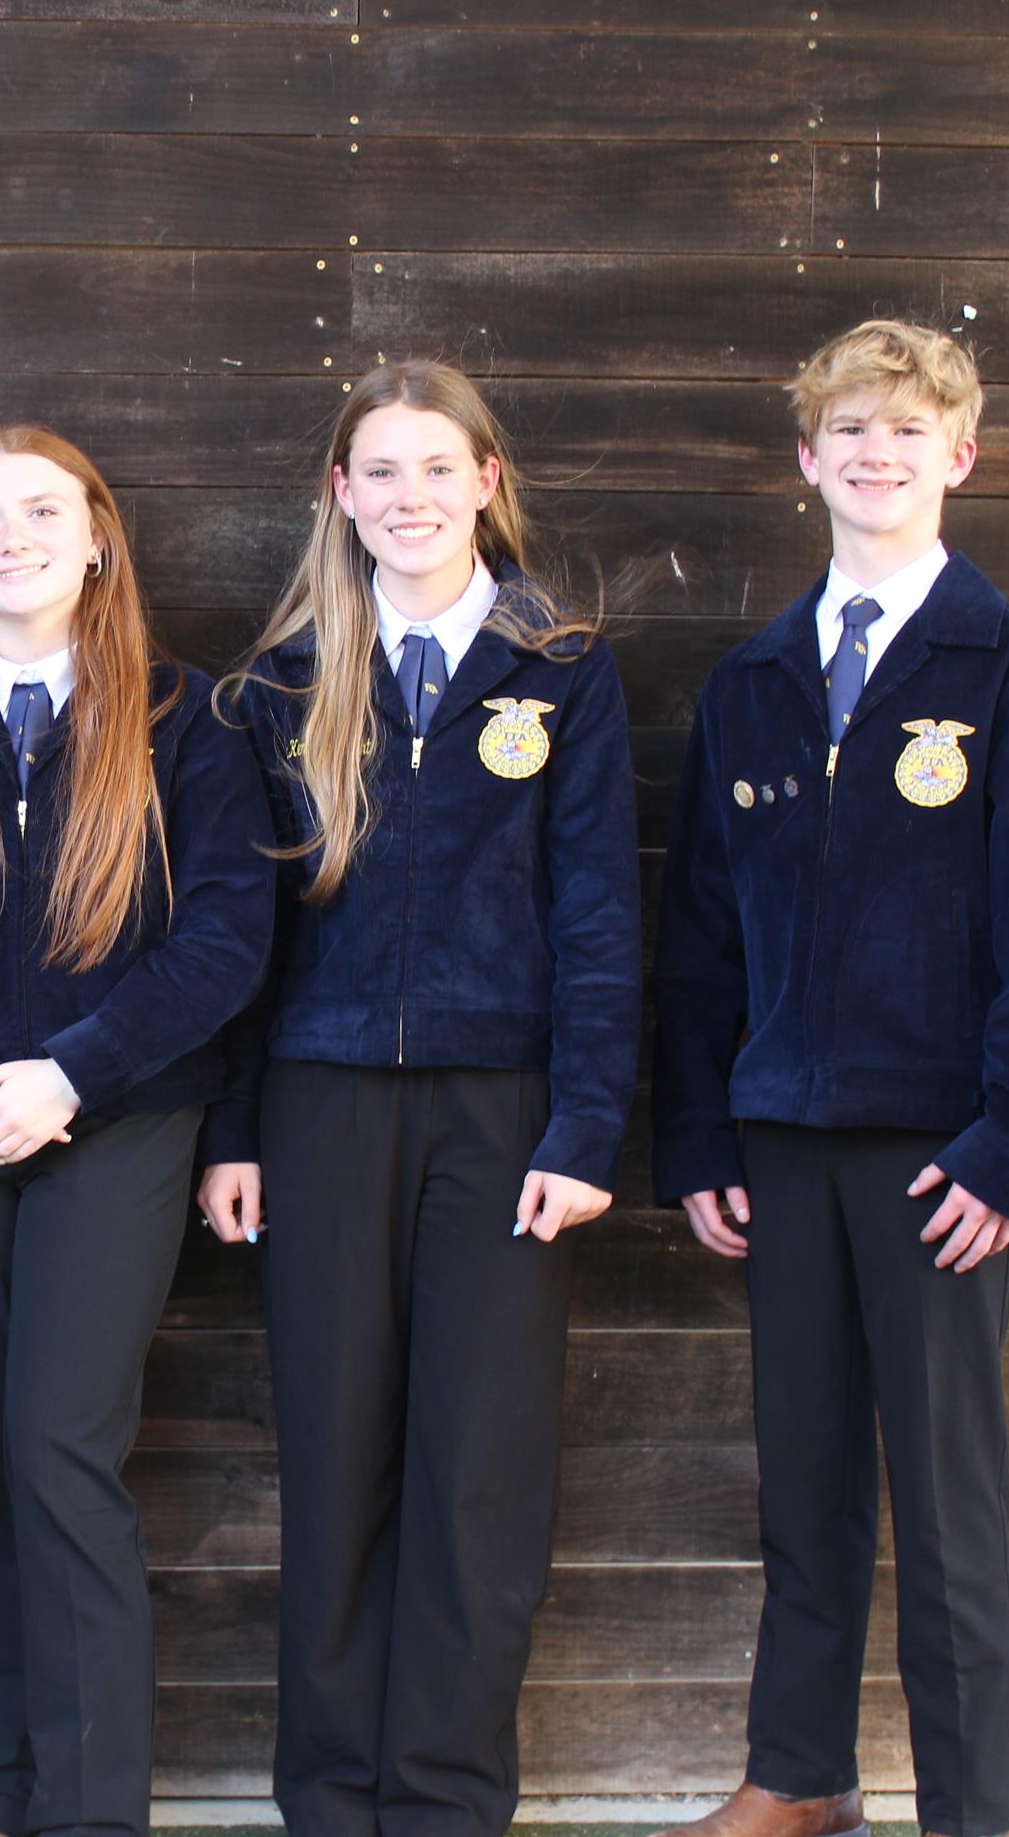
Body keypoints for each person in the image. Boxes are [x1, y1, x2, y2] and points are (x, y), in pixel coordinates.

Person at [648, 319, 1009, 1837]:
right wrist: (701, 1135)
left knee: (950, 1505)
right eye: (849, 428)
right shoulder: (754, 682)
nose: (877, 453)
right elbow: (703, 940)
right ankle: (798, 1780)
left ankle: (967, 1810)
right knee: (807, 1487)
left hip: (941, 1160)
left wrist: (1008, 1152)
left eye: (908, 430)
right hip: (783, 1139)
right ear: (807, 457)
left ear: (959, 456)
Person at [194, 361, 641, 1833]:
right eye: (380, 472)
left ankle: (445, 1799)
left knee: (479, 1471)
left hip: (504, 1119)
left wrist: (585, 1126)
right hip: (321, 1106)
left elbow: (598, 916)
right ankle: (333, 1797)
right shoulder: (279, 684)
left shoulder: (562, 669)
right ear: (340, 494)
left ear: (487, 482)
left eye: (439, 468)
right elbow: (247, 939)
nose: (410, 498)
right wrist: (235, 1129)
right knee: (335, 1460)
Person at [0, 427, 274, 1837]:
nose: (10, 539)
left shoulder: (187, 720)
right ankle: (0, 1791)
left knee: (57, 1453)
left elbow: (224, 942)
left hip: (118, 1123)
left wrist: (70, 1076)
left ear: (97, 541)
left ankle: (89, 1812)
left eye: (41, 512)